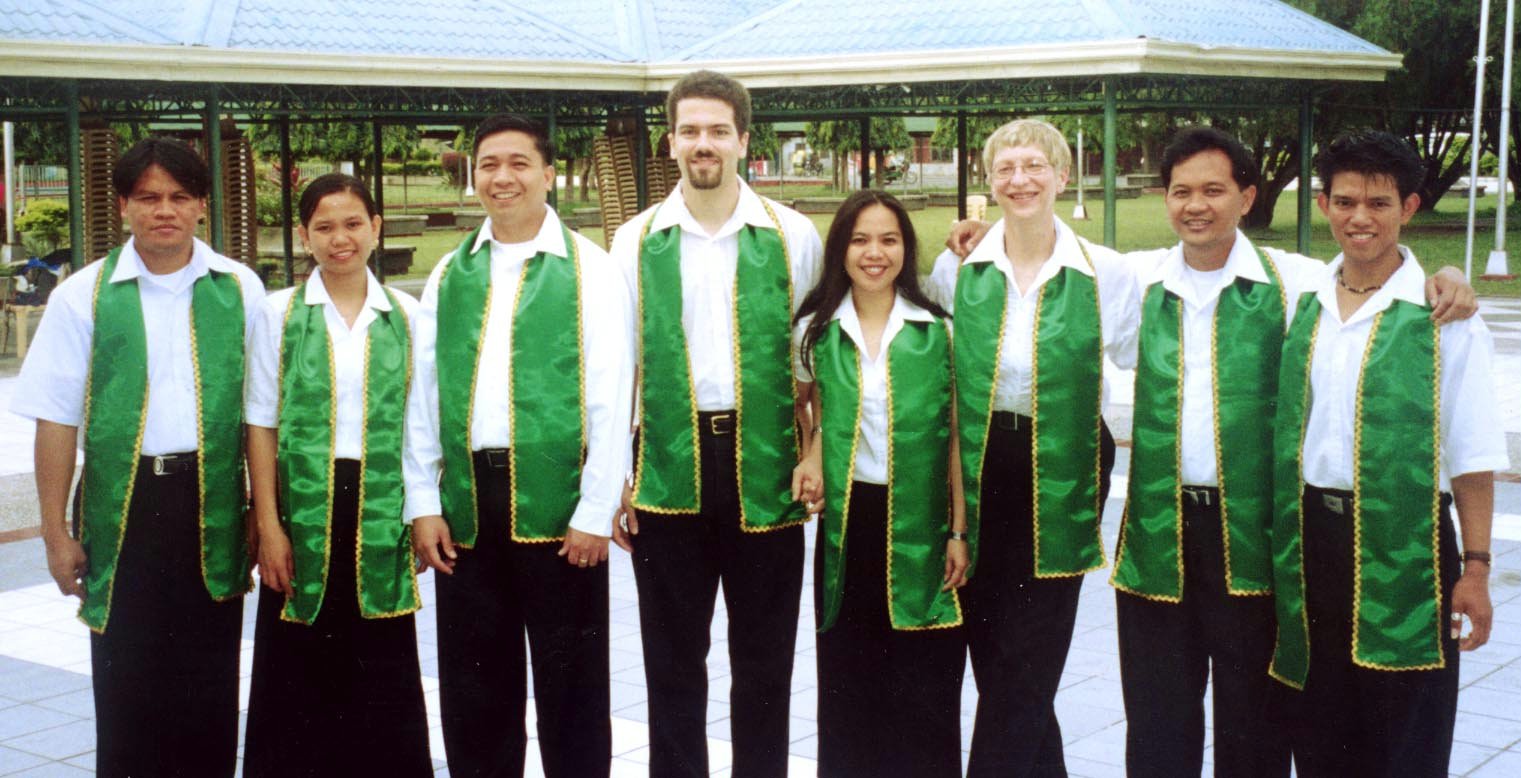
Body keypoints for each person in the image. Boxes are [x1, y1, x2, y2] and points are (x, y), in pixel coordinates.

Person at [15, 136, 265, 777]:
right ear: (124, 205)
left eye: (180, 197)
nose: (165, 211)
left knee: (209, 682)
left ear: (202, 206)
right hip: (123, 509)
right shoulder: (86, 295)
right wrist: (54, 533)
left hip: (210, 505)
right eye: (148, 197)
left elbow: (263, 414)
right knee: (126, 685)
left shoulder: (238, 289)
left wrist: (267, 520)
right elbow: (56, 418)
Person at [1269, 129, 1508, 777]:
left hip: (1407, 547)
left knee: (1404, 735)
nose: (1358, 218)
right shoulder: (1301, 299)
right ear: (1321, 205)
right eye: (1344, 201)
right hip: (1308, 545)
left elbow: (1471, 455)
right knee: (1317, 731)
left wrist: (1477, 569)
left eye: (1377, 203)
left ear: (1408, 207)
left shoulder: (1443, 318)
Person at [610, 69, 823, 778]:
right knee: (672, 661)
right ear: (670, 141)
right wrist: (616, 477)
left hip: (764, 464)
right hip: (669, 465)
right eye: (690, 130)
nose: (704, 143)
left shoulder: (792, 235)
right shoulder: (634, 240)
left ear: (743, 141)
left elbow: (815, 361)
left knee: (763, 663)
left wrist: (813, 450)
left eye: (718, 130)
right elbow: (618, 373)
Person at [406, 114, 632, 778]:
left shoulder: (590, 269)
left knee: (572, 691)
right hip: (469, 505)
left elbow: (612, 398)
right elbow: (424, 396)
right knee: (475, 692)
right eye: (488, 165)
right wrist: (423, 502)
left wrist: (595, 512)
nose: (501, 178)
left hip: (560, 506)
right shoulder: (451, 272)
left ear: (548, 173)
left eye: (518, 163)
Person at [925, 118, 1138, 777]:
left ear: (1062, 176)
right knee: (998, 661)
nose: (1019, 180)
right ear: (989, 182)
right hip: (975, 469)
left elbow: (1152, 353)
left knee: (1027, 659)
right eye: (1005, 169)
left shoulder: (1107, 272)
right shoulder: (955, 268)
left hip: (1063, 471)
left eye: (1033, 166)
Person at [241, 173, 431, 777]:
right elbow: (261, 425)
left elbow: (423, 425)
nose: (339, 238)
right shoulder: (279, 315)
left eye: (353, 223)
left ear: (376, 228)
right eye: (323, 227)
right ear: (304, 236)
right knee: (295, 664)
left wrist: (423, 511)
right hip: (301, 512)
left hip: (381, 511)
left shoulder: (407, 315)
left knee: (383, 663)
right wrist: (268, 524)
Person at [792, 190, 969, 778]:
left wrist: (958, 530)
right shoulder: (815, 332)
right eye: (859, 239)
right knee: (848, 686)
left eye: (889, 239)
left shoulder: (937, 331)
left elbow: (954, 442)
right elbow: (805, 411)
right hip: (850, 528)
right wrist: (811, 454)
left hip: (920, 528)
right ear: (839, 249)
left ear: (906, 248)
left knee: (924, 691)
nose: (874, 253)